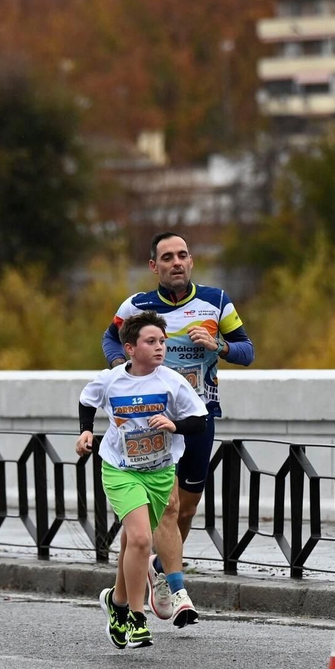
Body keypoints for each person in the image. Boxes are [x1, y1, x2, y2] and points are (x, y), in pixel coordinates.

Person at [102, 232, 253, 628]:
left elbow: (247, 351)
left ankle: (145, 573)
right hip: (149, 421)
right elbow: (110, 337)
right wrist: (125, 368)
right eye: (167, 257)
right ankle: (169, 581)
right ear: (154, 266)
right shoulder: (137, 305)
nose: (176, 263)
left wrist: (218, 345)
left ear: (192, 261)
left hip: (197, 416)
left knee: (184, 508)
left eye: (182, 255)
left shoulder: (216, 302)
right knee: (161, 508)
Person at [78, 311, 208, 649]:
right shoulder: (111, 380)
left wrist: (174, 425)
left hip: (160, 473)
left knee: (130, 544)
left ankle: (116, 603)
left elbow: (200, 420)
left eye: (163, 342)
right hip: (121, 470)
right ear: (130, 348)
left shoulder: (172, 381)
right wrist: (86, 432)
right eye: (151, 342)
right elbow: (87, 400)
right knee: (139, 540)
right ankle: (137, 618)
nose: (160, 348)